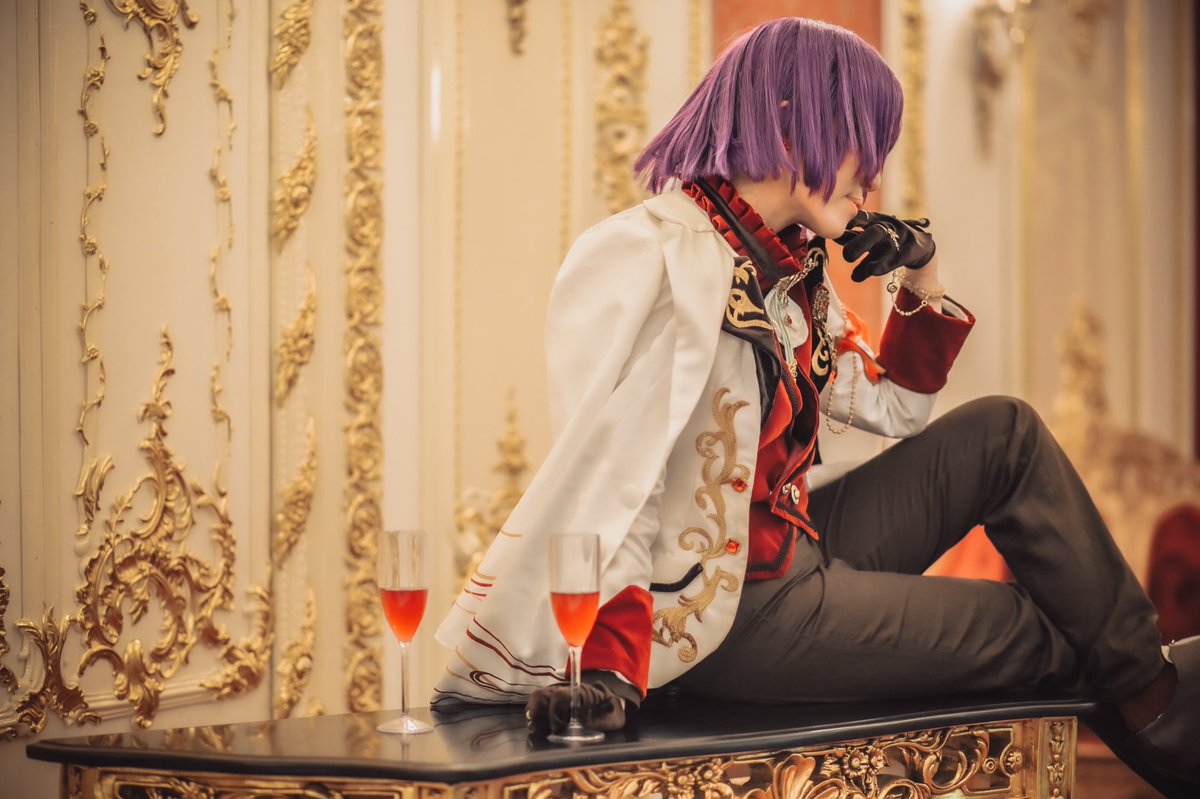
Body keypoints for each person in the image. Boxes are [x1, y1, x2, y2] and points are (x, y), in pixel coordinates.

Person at [432, 17, 1197, 793]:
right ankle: (1165, 713)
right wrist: (613, 665)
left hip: (795, 551)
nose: (874, 179)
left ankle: (1162, 701)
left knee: (1007, 432)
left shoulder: (788, 273)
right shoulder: (654, 256)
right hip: (723, 612)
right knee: (1035, 626)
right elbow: (616, 479)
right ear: (793, 121)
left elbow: (897, 408)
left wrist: (922, 274)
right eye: (866, 142)